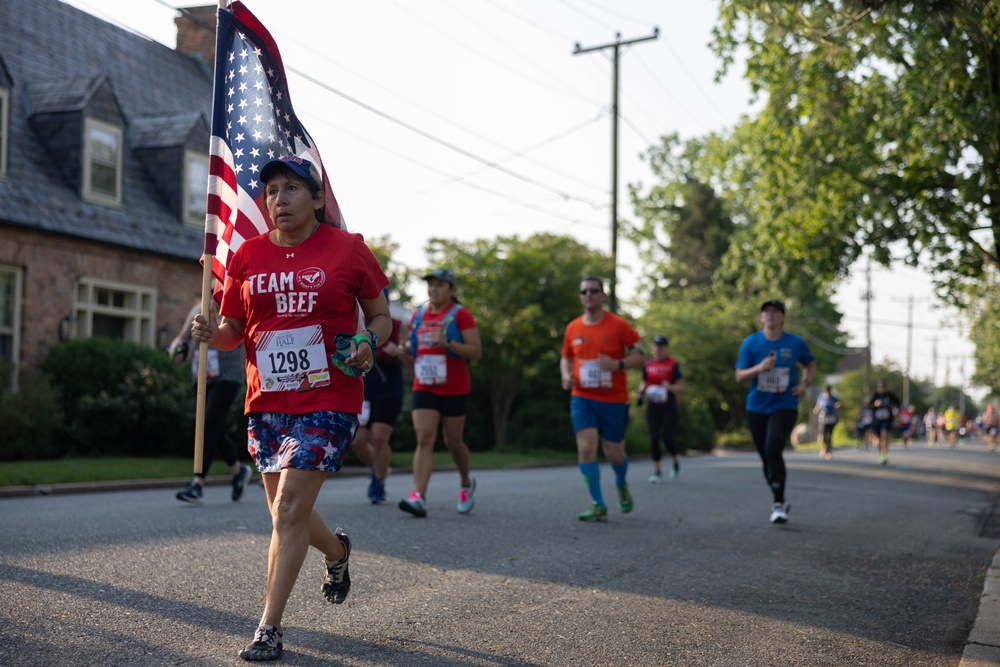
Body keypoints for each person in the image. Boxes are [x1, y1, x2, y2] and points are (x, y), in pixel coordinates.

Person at [190, 155, 391, 662]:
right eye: (272, 191)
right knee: (285, 513)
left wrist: (369, 338)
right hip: (268, 401)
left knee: (290, 508)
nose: (279, 199)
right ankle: (338, 552)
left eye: (292, 189)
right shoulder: (248, 256)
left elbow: (382, 315)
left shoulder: (348, 249)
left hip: (329, 397)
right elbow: (235, 331)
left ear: (318, 199)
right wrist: (212, 334)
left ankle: (269, 627)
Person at [398, 268, 482, 518]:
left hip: (454, 387)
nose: (433, 289)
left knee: (453, 441)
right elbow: (415, 355)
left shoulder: (461, 315)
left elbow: (476, 352)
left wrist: (449, 343)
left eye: (439, 285)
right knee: (424, 437)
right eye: (430, 285)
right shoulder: (419, 314)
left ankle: (466, 483)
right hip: (424, 384)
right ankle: (418, 496)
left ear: (451, 290)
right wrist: (404, 354)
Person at [560, 276, 644, 521]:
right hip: (583, 397)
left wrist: (617, 364)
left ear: (603, 296)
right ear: (580, 296)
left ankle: (621, 482)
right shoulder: (573, 328)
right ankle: (598, 503)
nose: (589, 295)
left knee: (615, 454)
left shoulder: (619, 325)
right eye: (584, 291)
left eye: (594, 291)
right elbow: (566, 357)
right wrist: (566, 375)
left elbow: (640, 356)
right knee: (586, 447)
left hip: (614, 399)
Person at [735, 299, 816, 524]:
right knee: (765, 456)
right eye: (765, 312)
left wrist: (804, 384)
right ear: (761, 318)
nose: (769, 315)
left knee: (773, 449)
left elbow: (810, 364)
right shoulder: (751, 343)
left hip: (785, 405)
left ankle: (778, 503)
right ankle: (779, 497)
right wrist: (759, 368)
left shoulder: (795, 343)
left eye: (775, 311)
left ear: (783, 317)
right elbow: (739, 377)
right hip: (757, 406)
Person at [168, 298, 251, 504]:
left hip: (227, 378)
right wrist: (177, 350)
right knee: (214, 428)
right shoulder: (198, 308)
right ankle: (238, 471)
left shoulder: (235, 308)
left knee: (207, 426)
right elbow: (182, 339)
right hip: (203, 378)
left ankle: (197, 484)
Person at [350, 288, 407, 504]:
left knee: (380, 437)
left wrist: (400, 352)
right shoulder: (352, 322)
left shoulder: (397, 324)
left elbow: (407, 355)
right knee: (358, 441)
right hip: (363, 388)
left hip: (389, 389)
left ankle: (379, 484)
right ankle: (378, 468)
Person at [637, 334, 685, 482]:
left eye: (661, 347)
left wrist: (669, 387)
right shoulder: (648, 364)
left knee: (667, 437)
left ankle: (675, 459)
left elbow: (680, 386)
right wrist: (640, 394)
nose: (658, 349)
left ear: (665, 348)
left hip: (669, 406)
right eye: (656, 346)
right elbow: (644, 382)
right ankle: (657, 471)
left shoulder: (672, 364)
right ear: (653, 348)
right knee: (654, 437)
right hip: (653, 405)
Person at [864, 379, 901, 465]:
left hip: (887, 420)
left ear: (886, 387)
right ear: (877, 387)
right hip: (876, 420)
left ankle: (884, 455)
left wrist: (893, 406)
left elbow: (898, 405)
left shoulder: (890, 396)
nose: (881, 388)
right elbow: (867, 405)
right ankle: (881, 453)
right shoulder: (874, 395)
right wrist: (875, 405)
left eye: (883, 387)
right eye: (880, 387)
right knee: (878, 439)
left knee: (885, 436)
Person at [812, 385, 841, 460]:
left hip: (831, 417)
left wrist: (836, 406)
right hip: (823, 416)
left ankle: (828, 451)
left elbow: (839, 402)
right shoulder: (821, 397)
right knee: (823, 434)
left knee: (829, 434)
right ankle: (824, 448)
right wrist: (816, 409)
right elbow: (818, 405)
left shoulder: (833, 397)